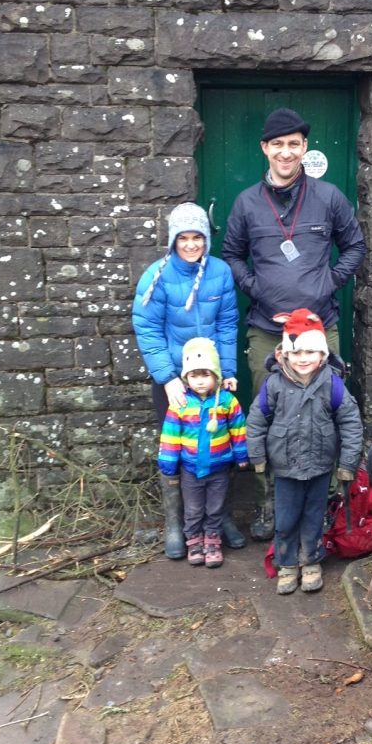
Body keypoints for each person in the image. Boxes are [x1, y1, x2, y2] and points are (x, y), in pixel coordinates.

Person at [222, 107, 366, 541]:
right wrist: (260, 291)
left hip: (322, 327)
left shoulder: (329, 197)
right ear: (265, 148)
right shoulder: (247, 202)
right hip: (268, 328)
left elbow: (355, 247)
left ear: (304, 148)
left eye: (294, 144)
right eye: (278, 144)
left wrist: (327, 284)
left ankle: (321, 507)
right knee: (273, 417)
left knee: (325, 415)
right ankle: (270, 504)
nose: (286, 152)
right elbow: (231, 254)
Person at [132, 202, 247, 558]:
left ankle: (220, 517)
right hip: (175, 379)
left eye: (197, 237)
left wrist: (227, 372)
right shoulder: (157, 275)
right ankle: (176, 524)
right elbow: (147, 327)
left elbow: (228, 324)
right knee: (177, 449)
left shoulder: (221, 272)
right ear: (173, 240)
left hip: (211, 378)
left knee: (219, 445)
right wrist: (167, 378)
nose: (191, 244)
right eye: (184, 238)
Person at [245, 309, 363, 595]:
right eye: (296, 352)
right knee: (285, 519)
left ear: (322, 353)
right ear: (284, 354)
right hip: (284, 467)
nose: (303, 358)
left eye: (310, 351)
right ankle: (286, 563)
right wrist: (258, 457)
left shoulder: (333, 385)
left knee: (313, 516)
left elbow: (350, 422)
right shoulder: (273, 384)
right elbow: (256, 420)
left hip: (320, 466)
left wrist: (347, 463)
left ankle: (311, 559)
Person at [157, 338, 248, 569]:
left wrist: (242, 455)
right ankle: (194, 541)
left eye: (205, 375)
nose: (199, 381)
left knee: (216, 507)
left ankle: (212, 541)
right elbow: (170, 435)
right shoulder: (180, 403)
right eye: (194, 376)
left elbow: (238, 430)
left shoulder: (227, 401)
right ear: (186, 378)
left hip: (219, 468)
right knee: (194, 508)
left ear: (216, 376)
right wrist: (169, 463)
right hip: (191, 469)